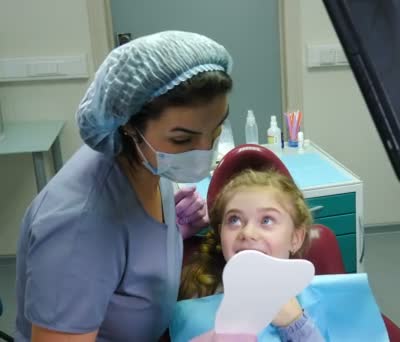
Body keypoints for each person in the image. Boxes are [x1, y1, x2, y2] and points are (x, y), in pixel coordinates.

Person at [14, 30, 232, 341]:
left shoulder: (149, 163)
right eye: (183, 139)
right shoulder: (78, 225)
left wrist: (169, 239)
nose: (205, 149)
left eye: (217, 127)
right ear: (129, 125)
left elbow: (126, 257)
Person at [178, 169, 324, 341]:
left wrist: (295, 324)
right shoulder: (196, 292)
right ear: (220, 233)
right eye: (234, 220)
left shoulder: (313, 299)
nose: (247, 232)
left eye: (266, 220)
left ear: (295, 238)